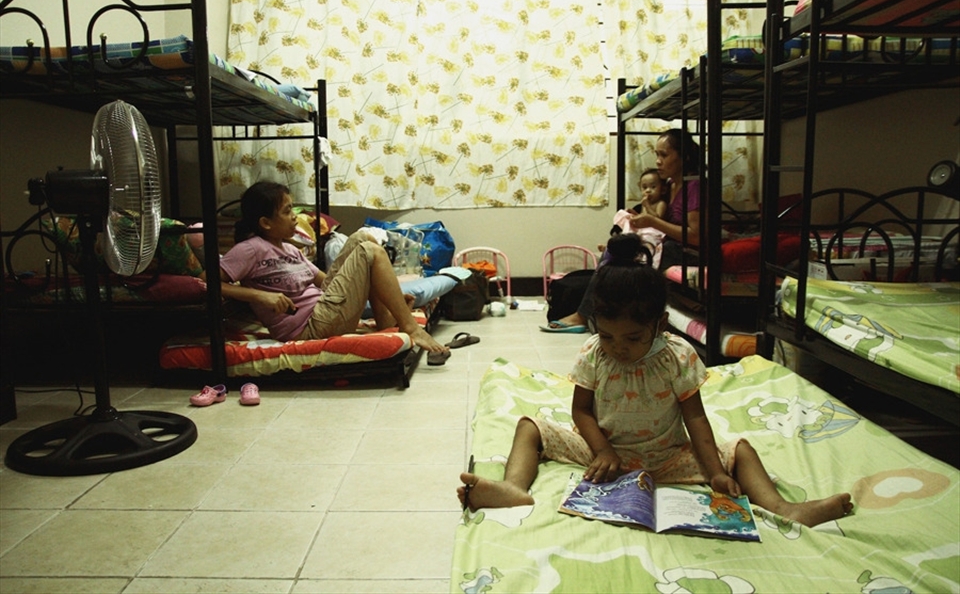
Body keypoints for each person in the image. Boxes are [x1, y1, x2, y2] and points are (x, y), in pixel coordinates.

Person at [463, 234, 853, 528]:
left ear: (660, 325)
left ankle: (784, 508)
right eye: (609, 336)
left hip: (667, 456)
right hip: (606, 452)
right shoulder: (593, 353)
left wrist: (715, 470)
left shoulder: (677, 356)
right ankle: (515, 489)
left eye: (633, 338)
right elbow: (580, 411)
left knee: (741, 450)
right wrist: (602, 451)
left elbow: (696, 419)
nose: (620, 348)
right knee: (530, 427)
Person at [218, 181, 448, 355]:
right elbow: (205, 282)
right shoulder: (251, 249)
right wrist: (259, 296)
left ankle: (385, 318)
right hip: (308, 327)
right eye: (287, 211)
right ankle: (410, 327)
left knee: (362, 237)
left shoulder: (289, 249)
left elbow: (328, 282)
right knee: (370, 251)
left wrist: (383, 290)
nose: (295, 218)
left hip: (324, 309)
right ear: (265, 223)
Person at [545, 128, 700, 332]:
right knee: (616, 248)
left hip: (684, 251)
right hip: (665, 242)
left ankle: (587, 315)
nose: (658, 161)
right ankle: (596, 314)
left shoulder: (694, 186)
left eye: (664, 154)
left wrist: (652, 222)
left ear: (684, 156)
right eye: (657, 154)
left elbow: (696, 237)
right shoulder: (669, 185)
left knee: (622, 255)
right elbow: (660, 219)